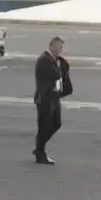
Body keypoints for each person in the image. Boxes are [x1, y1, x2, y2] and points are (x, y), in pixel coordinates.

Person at [33, 36, 72, 164]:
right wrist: (63, 68)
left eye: (61, 48)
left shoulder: (54, 60)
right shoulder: (44, 60)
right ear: (51, 46)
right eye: (59, 47)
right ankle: (40, 153)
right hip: (45, 98)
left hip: (54, 98)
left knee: (56, 124)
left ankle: (39, 147)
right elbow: (55, 74)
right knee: (44, 127)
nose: (60, 50)